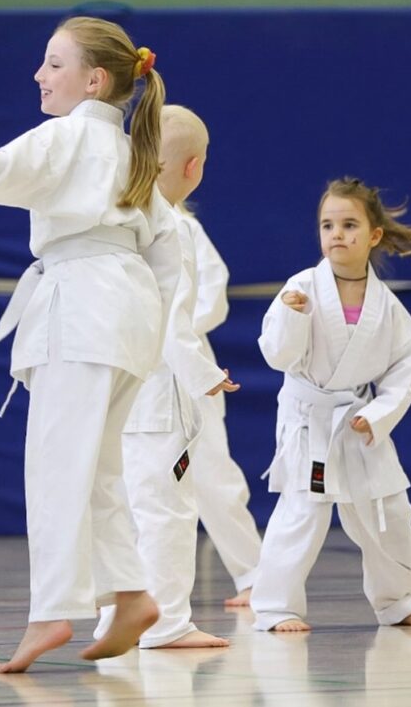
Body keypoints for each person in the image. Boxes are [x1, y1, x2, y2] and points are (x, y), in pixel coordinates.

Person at [0, 16, 176, 672]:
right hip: (128, 314)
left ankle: (50, 610)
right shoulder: (133, 152)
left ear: (93, 80)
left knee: (56, 466)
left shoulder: (72, 134)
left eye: (53, 63)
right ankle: (133, 592)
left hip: (82, 309)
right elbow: (169, 248)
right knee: (101, 469)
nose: (38, 74)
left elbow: (6, 171)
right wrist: (151, 321)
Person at [251, 177, 411, 632]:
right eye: (327, 225)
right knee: (303, 512)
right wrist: (292, 316)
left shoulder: (388, 306)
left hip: (358, 419)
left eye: (349, 224)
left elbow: (404, 368)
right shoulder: (301, 287)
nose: (336, 234)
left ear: (374, 235)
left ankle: (397, 602)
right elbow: (277, 355)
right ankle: (276, 608)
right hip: (309, 421)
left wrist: (377, 415)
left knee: (390, 509)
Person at [96, 105, 237, 649]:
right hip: (157, 395)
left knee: (124, 509)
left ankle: (116, 617)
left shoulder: (117, 216)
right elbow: (174, 324)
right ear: (195, 166)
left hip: (114, 388)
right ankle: (166, 621)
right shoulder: (173, 228)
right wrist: (207, 377)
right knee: (167, 510)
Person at [186, 207, 263, 608]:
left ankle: (254, 573)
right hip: (131, 362)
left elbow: (213, 289)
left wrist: (176, 332)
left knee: (211, 471)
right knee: (126, 478)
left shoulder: (183, 225)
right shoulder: (115, 222)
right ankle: (125, 586)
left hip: (187, 362)